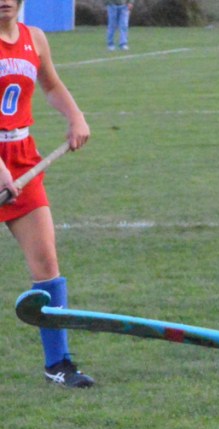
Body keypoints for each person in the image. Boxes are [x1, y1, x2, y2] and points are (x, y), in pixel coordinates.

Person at [1, 0, 93, 387]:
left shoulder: (34, 39)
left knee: (46, 265)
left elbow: (51, 85)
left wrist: (75, 116)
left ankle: (58, 363)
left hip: (22, 160)